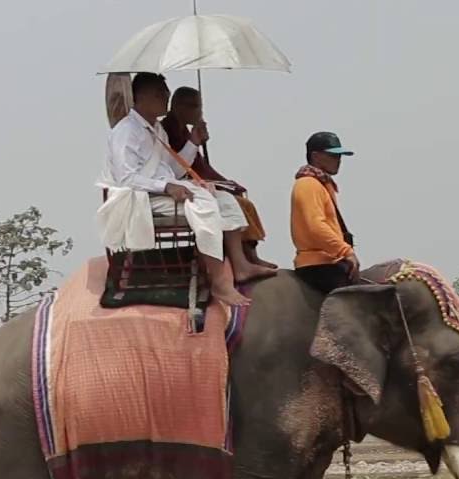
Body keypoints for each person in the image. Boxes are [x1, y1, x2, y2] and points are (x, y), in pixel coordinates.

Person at [101, 73, 268, 307]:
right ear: (140, 96)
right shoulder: (126, 131)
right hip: (138, 198)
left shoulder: (155, 129)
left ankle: (240, 265)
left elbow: (171, 170)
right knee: (205, 205)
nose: (167, 97)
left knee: (223, 199)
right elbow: (127, 178)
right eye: (161, 93)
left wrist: (193, 143)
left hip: (159, 192)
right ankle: (220, 282)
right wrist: (167, 186)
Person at [162, 86, 276, 270]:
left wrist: (198, 139)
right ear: (177, 106)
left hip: (197, 179)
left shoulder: (183, 129)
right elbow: (178, 167)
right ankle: (246, 257)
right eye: (193, 106)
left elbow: (200, 164)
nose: (198, 111)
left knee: (239, 195)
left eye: (199, 106)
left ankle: (251, 252)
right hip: (185, 184)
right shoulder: (167, 129)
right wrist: (194, 141)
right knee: (239, 202)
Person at [290, 131, 358, 294]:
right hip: (318, 265)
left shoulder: (321, 184)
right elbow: (316, 226)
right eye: (333, 155)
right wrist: (345, 251)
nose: (338, 160)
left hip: (329, 260)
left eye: (339, 156)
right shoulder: (308, 184)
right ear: (316, 156)